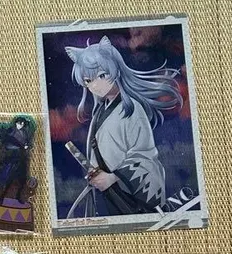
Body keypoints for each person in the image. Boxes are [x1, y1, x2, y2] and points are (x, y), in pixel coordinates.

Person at [64, 35, 182, 218]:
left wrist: (113, 177)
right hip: (109, 193)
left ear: (116, 70)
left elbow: (144, 155)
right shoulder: (100, 111)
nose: (95, 85)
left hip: (131, 195)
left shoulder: (131, 109)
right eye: (88, 81)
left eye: (102, 76)